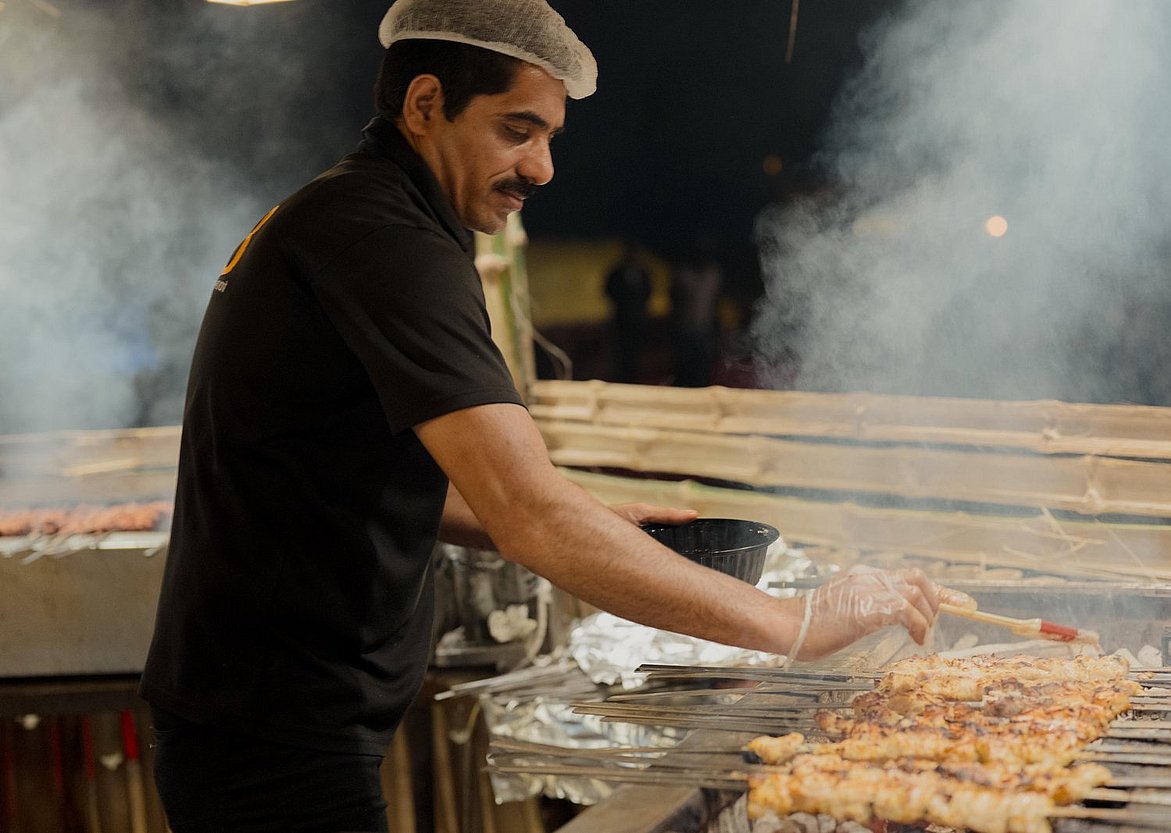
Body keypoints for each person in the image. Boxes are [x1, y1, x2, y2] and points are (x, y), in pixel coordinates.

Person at [139, 2, 973, 831]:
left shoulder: (361, 214)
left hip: (261, 714)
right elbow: (527, 511)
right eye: (516, 130)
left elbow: (344, 463)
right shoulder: (383, 239)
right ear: (425, 104)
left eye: (549, 138)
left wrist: (591, 517)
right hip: (267, 729)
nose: (541, 168)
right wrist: (797, 624)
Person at [670, 237, 724, 386]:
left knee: (702, 369)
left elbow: (716, 301)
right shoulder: (683, 274)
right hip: (685, 328)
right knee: (683, 368)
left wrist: (716, 327)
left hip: (704, 328)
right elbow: (674, 299)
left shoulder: (714, 274)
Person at [603, 241, 653, 382]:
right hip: (621, 320)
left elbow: (648, 293)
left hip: (638, 320)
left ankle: (635, 379)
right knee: (620, 355)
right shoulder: (618, 272)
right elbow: (609, 290)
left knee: (636, 355)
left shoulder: (643, 273)